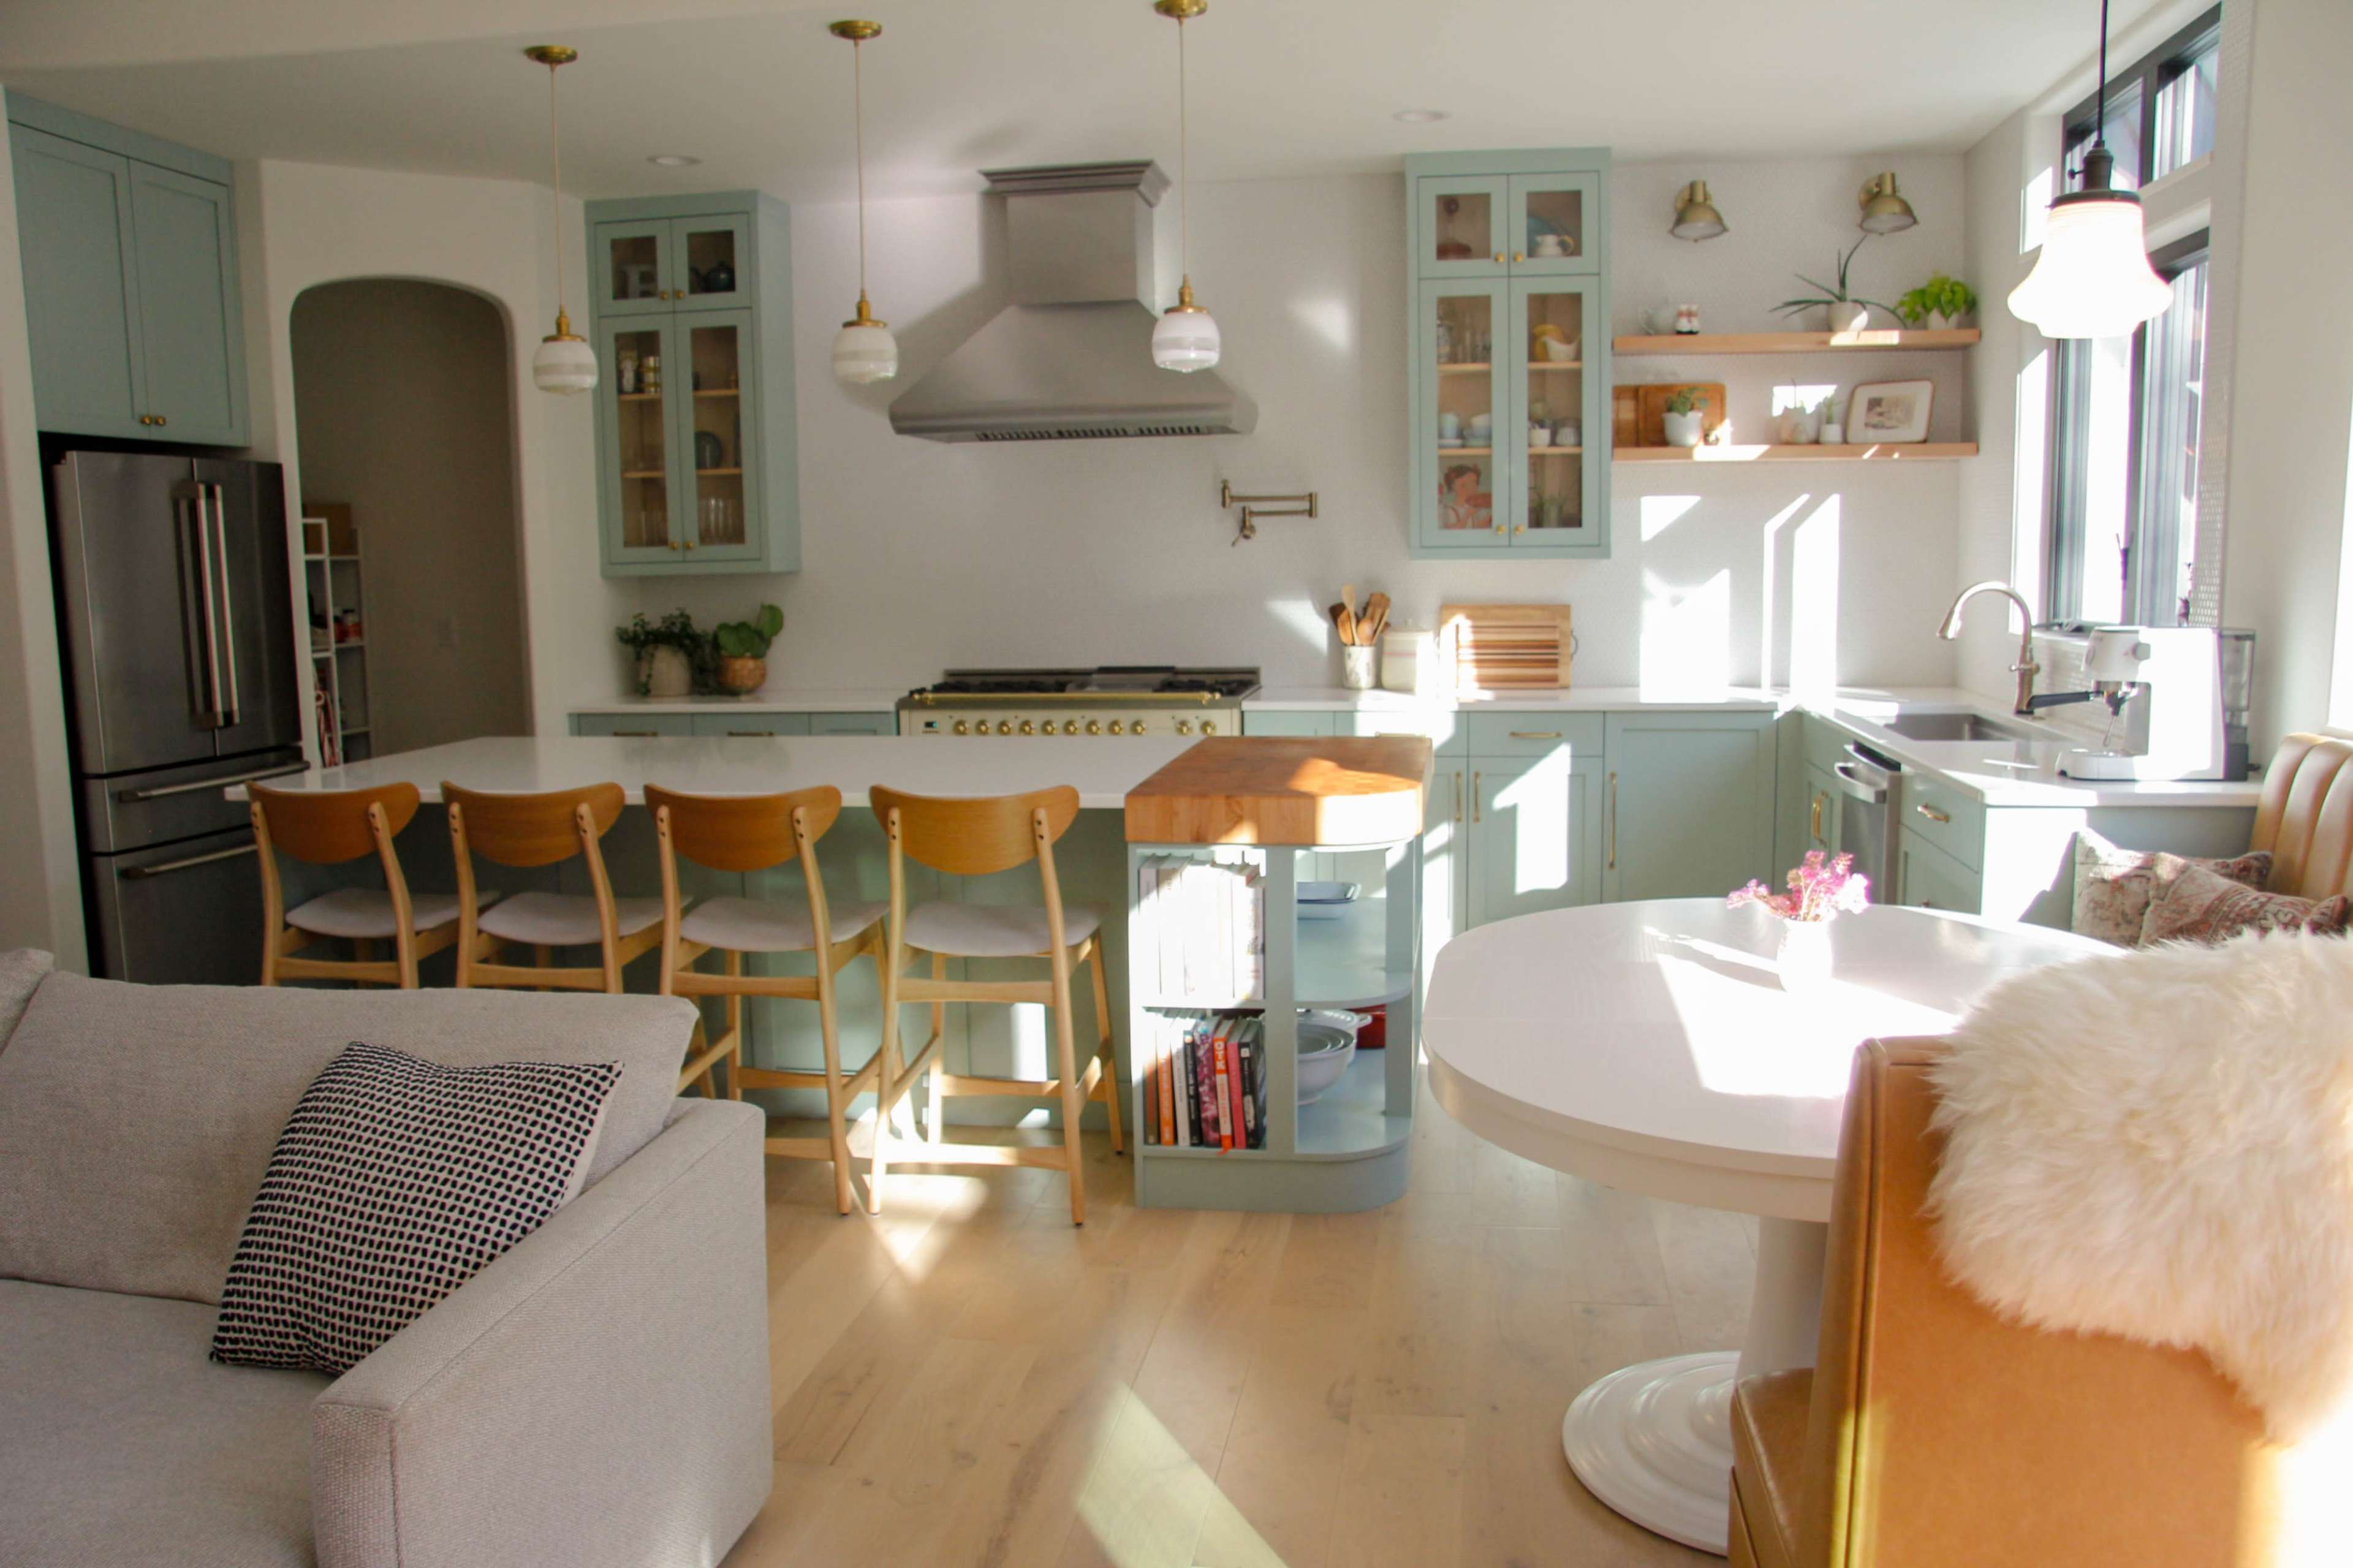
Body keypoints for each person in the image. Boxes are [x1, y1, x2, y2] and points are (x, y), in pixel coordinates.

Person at [1439, 464, 1491, 531]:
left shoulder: (1472, 508)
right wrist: (1467, 515)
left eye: (1474, 484)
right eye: (1463, 485)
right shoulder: (1450, 510)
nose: (1470, 489)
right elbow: (1450, 532)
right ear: (1453, 486)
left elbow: (1476, 530)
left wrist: (1491, 515)